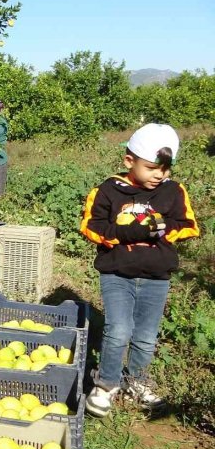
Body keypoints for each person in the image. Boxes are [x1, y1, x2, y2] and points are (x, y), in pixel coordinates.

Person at [80, 123, 199, 417]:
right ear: (129, 161)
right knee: (119, 329)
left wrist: (162, 229)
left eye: (166, 168)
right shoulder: (108, 190)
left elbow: (189, 226)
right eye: (152, 168)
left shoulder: (173, 191)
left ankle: (137, 382)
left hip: (156, 278)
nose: (160, 174)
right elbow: (90, 227)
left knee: (146, 335)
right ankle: (106, 384)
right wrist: (130, 231)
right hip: (117, 274)